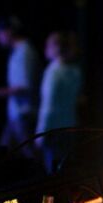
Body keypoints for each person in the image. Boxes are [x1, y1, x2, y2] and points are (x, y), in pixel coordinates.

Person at [0, 16, 40, 157]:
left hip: (23, 114)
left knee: (29, 154)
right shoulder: (18, 52)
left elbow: (23, 86)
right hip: (16, 114)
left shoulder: (24, 52)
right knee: (4, 152)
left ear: (8, 32)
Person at [35, 31, 82, 174]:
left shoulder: (53, 72)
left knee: (52, 172)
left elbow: (49, 106)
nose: (45, 49)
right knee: (66, 169)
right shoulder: (76, 71)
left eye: (48, 45)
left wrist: (40, 133)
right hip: (70, 127)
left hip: (53, 131)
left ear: (56, 47)